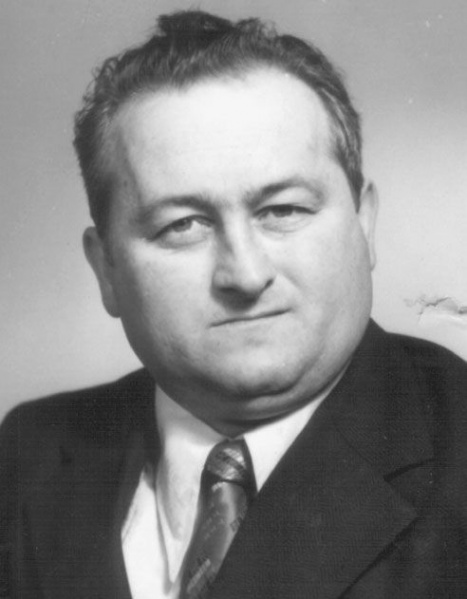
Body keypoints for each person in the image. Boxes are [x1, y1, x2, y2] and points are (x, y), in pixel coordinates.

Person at [1, 9, 467, 599]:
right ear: (107, 270)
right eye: (183, 225)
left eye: (283, 210)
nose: (245, 275)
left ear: (364, 224)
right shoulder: (26, 454)